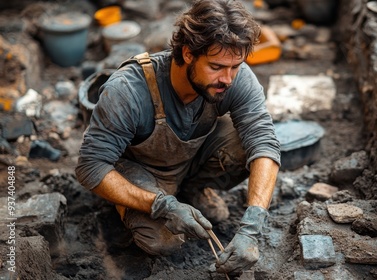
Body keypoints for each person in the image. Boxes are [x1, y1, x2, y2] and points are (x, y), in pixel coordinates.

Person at [75, 0, 281, 276]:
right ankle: (129, 205)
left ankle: (190, 189)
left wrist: (253, 226)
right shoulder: (127, 91)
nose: (228, 79)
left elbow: (265, 143)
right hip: (140, 172)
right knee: (163, 241)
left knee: (252, 147)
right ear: (187, 53)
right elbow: (90, 167)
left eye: (235, 67)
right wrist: (161, 205)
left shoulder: (233, 75)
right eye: (217, 67)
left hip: (189, 161)